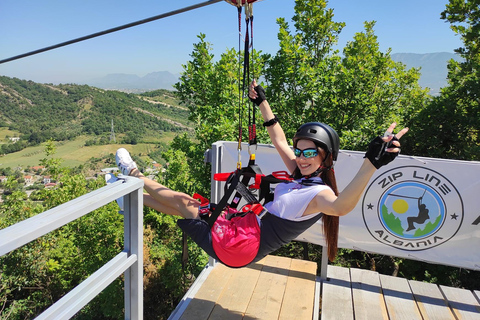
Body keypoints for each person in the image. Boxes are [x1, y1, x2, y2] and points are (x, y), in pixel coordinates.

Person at [114, 80, 408, 267]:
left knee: (185, 204)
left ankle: (134, 174)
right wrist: (262, 103)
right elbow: (279, 140)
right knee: (189, 208)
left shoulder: (320, 194)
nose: (302, 158)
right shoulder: (303, 176)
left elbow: (341, 207)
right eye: (300, 151)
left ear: (326, 158)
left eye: (310, 153)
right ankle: (127, 196)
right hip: (241, 231)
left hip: (239, 245)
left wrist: (371, 163)